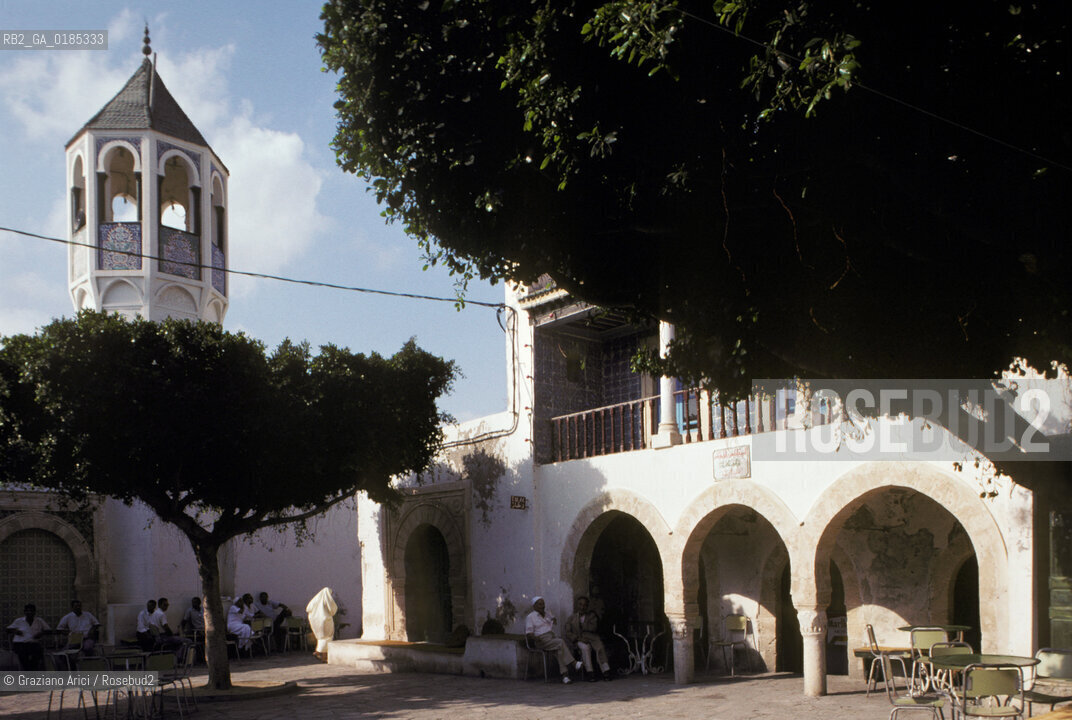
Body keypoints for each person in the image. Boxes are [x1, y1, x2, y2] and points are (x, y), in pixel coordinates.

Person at [525, 596, 582, 684]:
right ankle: (574, 663)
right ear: (534, 606)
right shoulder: (530, 617)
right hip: (541, 640)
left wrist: (552, 619)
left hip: (551, 637)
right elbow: (529, 633)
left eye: (543, 604)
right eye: (540, 604)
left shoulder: (547, 613)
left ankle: (565, 676)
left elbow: (553, 619)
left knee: (559, 650)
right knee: (560, 642)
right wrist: (536, 638)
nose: (542, 606)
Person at [565, 596, 612, 681]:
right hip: (579, 639)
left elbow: (593, 628)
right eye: (580, 605)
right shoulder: (571, 618)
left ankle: (606, 671)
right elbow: (568, 632)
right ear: (577, 605)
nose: (582, 607)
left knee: (600, 647)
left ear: (587, 606)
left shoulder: (591, 616)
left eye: (585, 605)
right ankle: (590, 672)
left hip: (592, 637)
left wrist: (583, 625)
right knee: (585, 648)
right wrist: (578, 638)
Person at [6, 603, 49, 670]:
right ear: (24, 612)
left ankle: (31, 670)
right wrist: (15, 631)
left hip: (33, 643)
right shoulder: (19, 621)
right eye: (27, 611)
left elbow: (48, 630)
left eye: (31, 611)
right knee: (23, 654)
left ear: (34, 612)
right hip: (20, 643)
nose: (29, 612)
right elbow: (8, 629)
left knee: (38, 652)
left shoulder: (39, 621)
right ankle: (28, 670)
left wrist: (41, 633)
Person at [306, 587, 338, 662]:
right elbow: (333, 609)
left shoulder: (315, 600)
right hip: (325, 621)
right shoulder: (327, 600)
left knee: (321, 638)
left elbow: (308, 608)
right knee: (327, 637)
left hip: (316, 622)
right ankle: (321, 654)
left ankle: (320, 654)